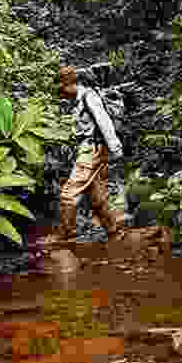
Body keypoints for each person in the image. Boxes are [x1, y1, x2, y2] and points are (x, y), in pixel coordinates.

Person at [40, 65, 129, 245]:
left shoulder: (89, 96)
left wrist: (114, 146)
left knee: (69, 193)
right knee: (95, 194)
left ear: (70, 83)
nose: (62, 93)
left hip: (93, 149)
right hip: (92, 148)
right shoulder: (81, 99)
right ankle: (114, 231)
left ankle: (66, 233)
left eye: (62, 88)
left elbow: (103, 121)